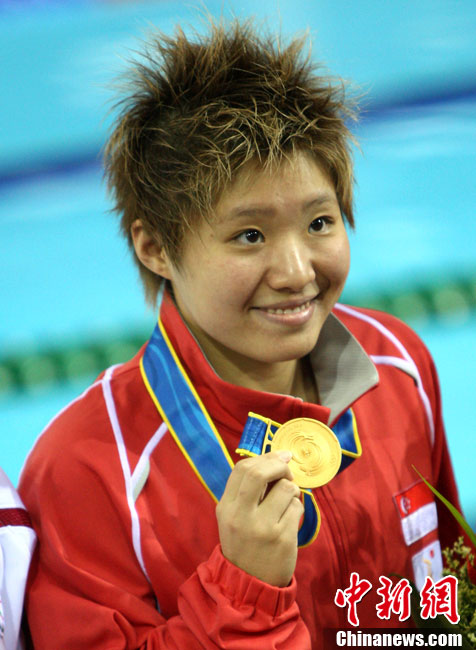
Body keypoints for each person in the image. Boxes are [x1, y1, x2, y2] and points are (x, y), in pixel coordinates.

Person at [19, 18, 461, 649]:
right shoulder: (89, 470)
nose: (297, 272)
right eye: (249, 235)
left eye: (319, 222)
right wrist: (242, 591)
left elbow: (452, 594)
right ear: (155, 247)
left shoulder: (398, 364)